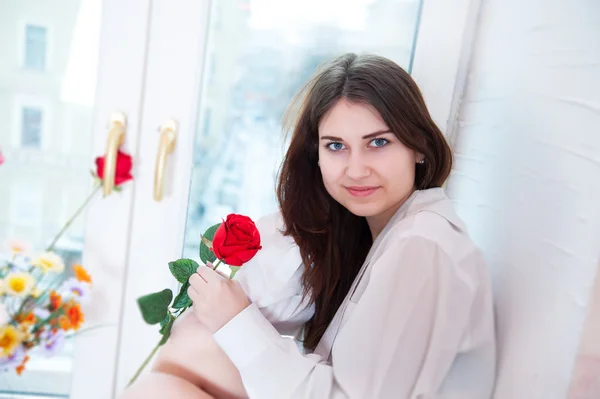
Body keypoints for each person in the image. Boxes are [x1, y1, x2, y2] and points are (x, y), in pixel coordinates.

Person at [119, 53, 496, 398]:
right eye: (335, 146)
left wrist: (236, 322)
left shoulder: (421, 246)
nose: (356, 168)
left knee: (163, 385)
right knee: (183, 355)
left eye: (378, 142)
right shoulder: (388, 232)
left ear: (420, 146)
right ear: (315, 154)